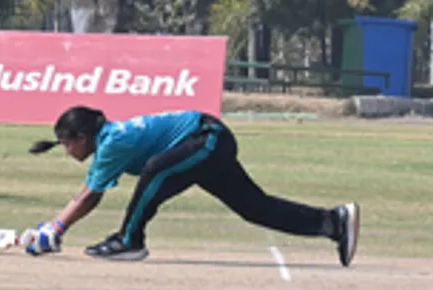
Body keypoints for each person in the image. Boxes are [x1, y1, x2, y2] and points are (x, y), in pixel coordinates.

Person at [20, 106, 360, 265]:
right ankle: (334, 222)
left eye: (67, 144)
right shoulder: (110, 140)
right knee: (255, 208)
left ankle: (129, 240)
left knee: (155, 171)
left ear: (82, 137)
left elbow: (89, 196)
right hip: (207, 141)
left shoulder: (112, 144)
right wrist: (54, 227)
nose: (68, 151)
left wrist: (56, 228)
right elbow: (87, 193)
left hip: (206, 138)